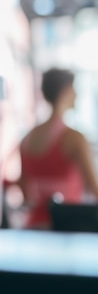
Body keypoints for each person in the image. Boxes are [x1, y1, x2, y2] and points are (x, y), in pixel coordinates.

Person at [18, 67, 98, 228]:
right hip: (68, 227)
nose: (76, 94)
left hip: (34, 226)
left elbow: (25, 193)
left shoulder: (27, 139)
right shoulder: (74, 139)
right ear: (66, 91)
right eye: (74, 88)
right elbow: (94, 189)